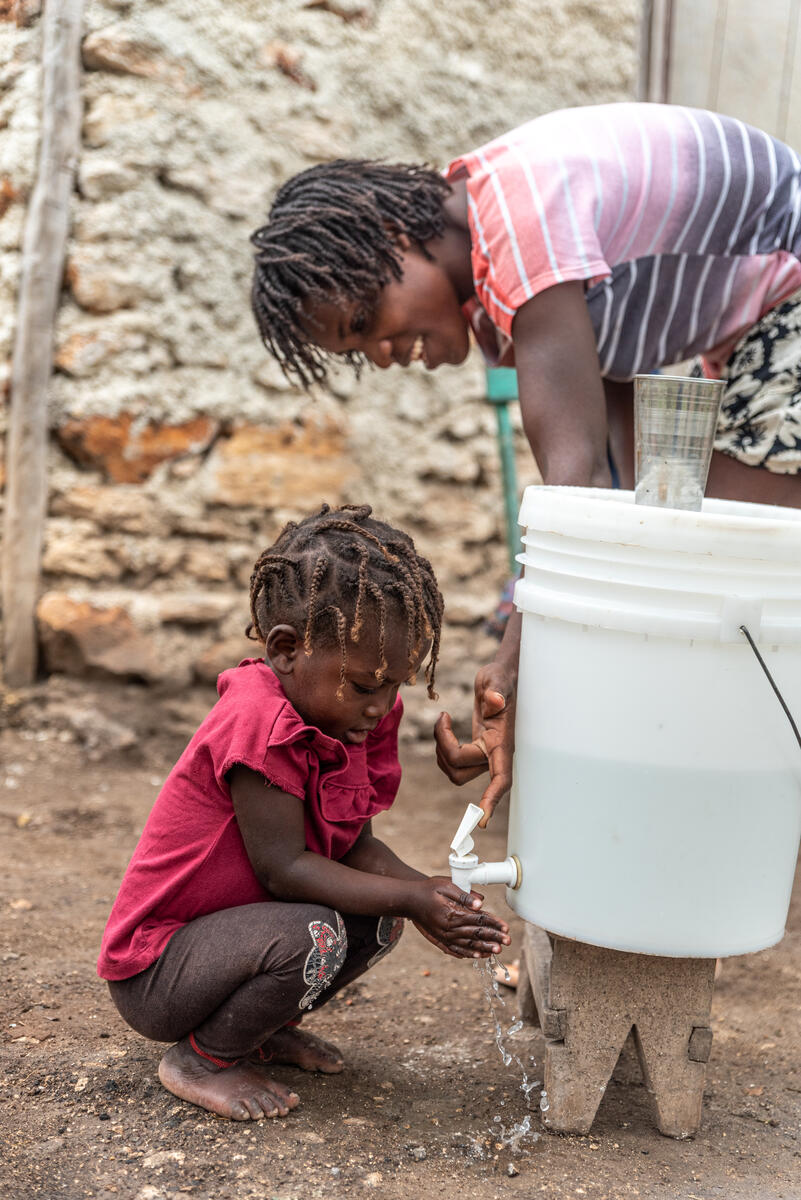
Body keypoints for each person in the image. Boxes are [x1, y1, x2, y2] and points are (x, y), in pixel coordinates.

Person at [249, 101, 801, 823]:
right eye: (358, 355)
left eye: (364, 322)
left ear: (390, 237)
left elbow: (569, 483)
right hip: (757, 331)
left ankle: (723, 803)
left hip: (786, 307)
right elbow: (616, 494)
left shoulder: (516, 215)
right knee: (685, 563)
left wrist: (509, 672)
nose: (382, 356)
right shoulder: (496, 286)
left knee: (728, 562)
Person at [97, 503, 511, 1121]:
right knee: (312, 931)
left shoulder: (350, 720)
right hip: (160, 970)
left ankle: (254, 1030)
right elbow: (284, 870)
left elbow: (353, 847)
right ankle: (200, 1059)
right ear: (287, 650)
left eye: (397, 684)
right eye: (368, 685)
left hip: (238, 942)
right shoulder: (258, 724)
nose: (383, 706)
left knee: (378, 920)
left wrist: (429, 891)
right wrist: (411, 897)